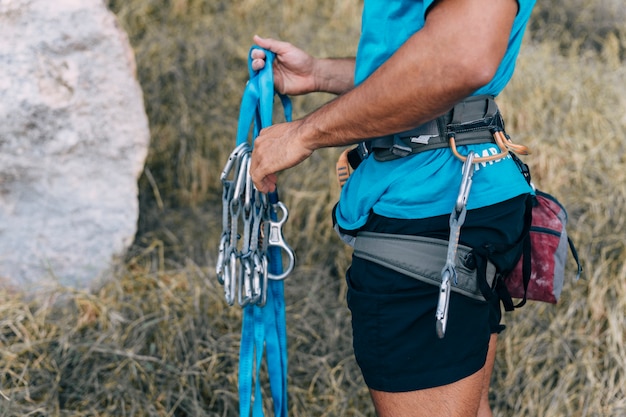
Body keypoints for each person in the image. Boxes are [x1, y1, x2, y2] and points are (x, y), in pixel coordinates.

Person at [249, 0, 536, 415]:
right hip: (470, 194)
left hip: (426, 212)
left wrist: (304, 133)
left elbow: (460, 60)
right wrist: (318, 73)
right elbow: (426, 60)